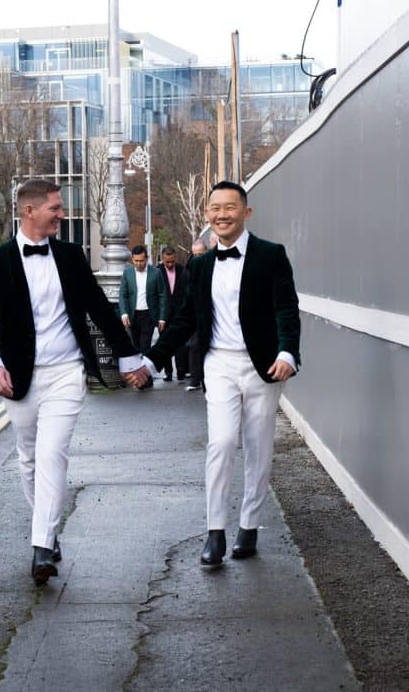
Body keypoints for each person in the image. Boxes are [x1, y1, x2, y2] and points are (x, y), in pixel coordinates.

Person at [0, 180, 150, 585]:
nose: (62, 213)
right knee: (29, 457)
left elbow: (100, 311)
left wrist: (129, 356)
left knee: (52, 454)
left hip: (66, 373)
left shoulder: (70, 257)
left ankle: (40, 549)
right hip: (19, 376)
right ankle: (47, 533)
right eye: (54, 207)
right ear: (29, 211)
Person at [147, 181, 300, 568]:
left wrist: (288, 352)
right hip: (218, 364)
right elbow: (185, 320)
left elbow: (286, 308)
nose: (222, 214)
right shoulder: (199, 265)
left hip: (263, 365)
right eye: (215, 208)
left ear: (246, 213)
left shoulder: (270, 255)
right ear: (206, 214)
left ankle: (248, 525)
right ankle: (215, 531)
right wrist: (151, 361)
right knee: (221, 442)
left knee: (258, 447)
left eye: (230, 207)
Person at [118, 245, 168, 361]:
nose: (139, 264)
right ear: (132, 259)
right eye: (136, 261)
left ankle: (146, 377)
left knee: (145, 346)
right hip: (133, 315)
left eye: (141, 261)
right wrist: (124, 313)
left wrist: (162, 318)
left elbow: (162, 295)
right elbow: (123, 294)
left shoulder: (156, 273)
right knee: (135, 346)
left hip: (148, 315)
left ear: (147, 258)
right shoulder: (127, 273)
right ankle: (140, 374)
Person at [157, 246, 190, 381]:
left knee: (180, 343)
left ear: (175, 258)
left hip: (178, 312)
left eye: (172, 261)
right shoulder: (157, 271)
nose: (170, 264)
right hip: (163, 315)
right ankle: (168, 372)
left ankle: (181, 371)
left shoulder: (182, 270)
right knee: (165, 342)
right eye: (167, 262)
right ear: (162, 259)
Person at [184, 239, 208, 391]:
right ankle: (195, 379)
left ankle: (205, 379)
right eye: (195, 254)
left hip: (208, 314)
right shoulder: (189, 270)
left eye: (201, 254)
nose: (198, 257)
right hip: (194, 313)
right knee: (193, 346)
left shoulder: (212, 267)